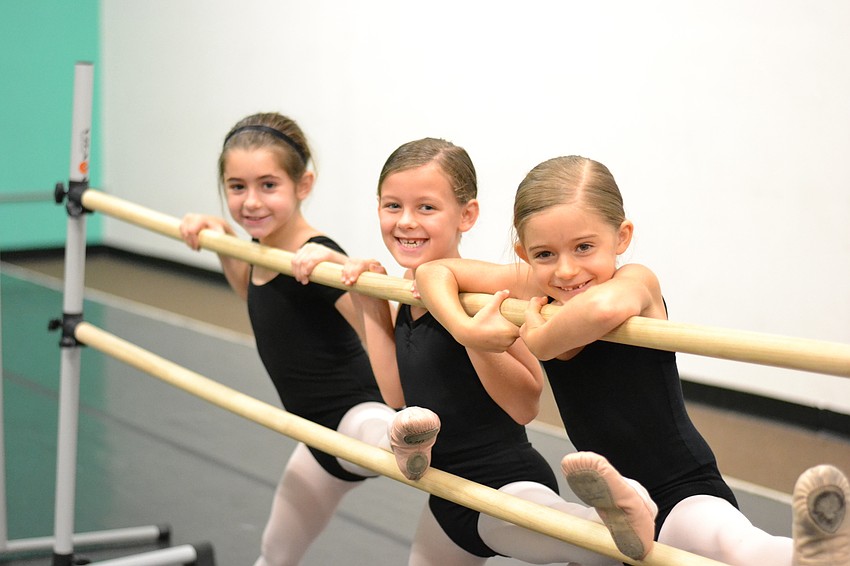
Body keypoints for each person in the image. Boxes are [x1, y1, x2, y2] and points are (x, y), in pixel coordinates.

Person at [414, 154, 850, 565]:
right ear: (525, 253)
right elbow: (433, 271)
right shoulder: (540, 284)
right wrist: (465, 329)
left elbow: (601, 311)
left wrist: (543, 340)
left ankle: (801, 554)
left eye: (584, 247)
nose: (566, 270)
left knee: (730, 542)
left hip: (681, 488)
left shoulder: (637, 282)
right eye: (545, 254)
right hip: (616, 507)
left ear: (621, 237)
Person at [292, 138, 659, 565]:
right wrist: (369, 303)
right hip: (446, 496)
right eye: (392, 206)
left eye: (426, 208)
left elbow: (525, 405)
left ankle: (627, 505)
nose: (406, 222)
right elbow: (396, 397)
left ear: (466, 215)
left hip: (499, 483)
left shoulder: (484, 301)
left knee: (594, 544)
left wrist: (476, 341)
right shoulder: (407, 296)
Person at [179, 112, 439, 566]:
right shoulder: (262, 248)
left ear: (303, 185)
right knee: (274, 554)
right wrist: (221, 238)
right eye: (237, 187)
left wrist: (343, 271)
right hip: (314, 437)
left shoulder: (315, 261)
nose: (251, 202)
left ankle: (401, 442)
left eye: (268, 185)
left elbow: (393, 328)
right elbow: (252, 292)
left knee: (369, 428)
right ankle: (393, 441)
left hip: (355, 412)